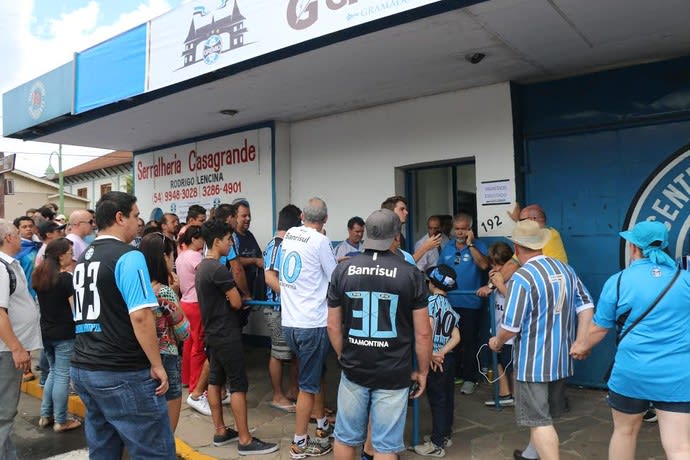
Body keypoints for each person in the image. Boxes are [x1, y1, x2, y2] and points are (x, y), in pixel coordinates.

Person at [571, 221, 690, 460]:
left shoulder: (618, 281)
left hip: (631, 372)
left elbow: (599, 328)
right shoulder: (685, 279)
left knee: (625, 433)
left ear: (634, 247)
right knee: (679, 446)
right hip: (677, 374)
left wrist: (581, 346)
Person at [70, 191, 175, 459]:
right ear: (120, 217)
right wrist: (157, 364)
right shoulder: (129, 256)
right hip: (122, 370)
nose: (139, 222)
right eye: (136, 216)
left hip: (85, 366)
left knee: (103, 448)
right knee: (154, 451)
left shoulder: (84, 259)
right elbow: (141, 316)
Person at [327, 208, 432, 460]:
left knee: (345, 437)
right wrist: (423, 371)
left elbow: (332, 325)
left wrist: (345, 355)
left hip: (354, 367)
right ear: (397, 237)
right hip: (394, 371)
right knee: (385, 446)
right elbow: (424, 333)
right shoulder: (411, 274)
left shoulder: (343, 270)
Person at [488, 219, 594, 460]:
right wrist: (581, 340)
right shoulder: (565, 269)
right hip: (561, 359)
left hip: (532, 363)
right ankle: (530, 454)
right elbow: (586, 304)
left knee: (538, 421)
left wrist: (497, 341)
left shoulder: (522, 278)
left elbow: (511, 327)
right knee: (544, 416)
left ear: (516, 249)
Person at [196, 219, 278, 454]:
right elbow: (234, 300)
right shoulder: (218, 269)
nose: (231, 243)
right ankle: (245, 439)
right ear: (216, 241)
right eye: (228, 239)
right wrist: (239, 299)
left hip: (212, 333)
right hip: (227, 334)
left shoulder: (203, 267)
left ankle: (220, 431)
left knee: (215, 380)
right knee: (238, 384)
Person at [280, 197, 337, 458]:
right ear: (325, 220)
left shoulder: (291, 234)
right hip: (312, 323)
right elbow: (334, 278)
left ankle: (322, 426)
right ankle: (299, 443)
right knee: (308, 385)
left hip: (290, 323)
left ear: (302, 216)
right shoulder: (321, 241)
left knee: (313, 375)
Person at [140, 232, 190, 432]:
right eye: (172, 255)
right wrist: (176, 293)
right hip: (166, 357)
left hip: (141, 357)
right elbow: (183, 332)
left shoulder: (136, 289)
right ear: (163, 257)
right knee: (167, 428)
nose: (174, 260)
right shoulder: (164, 292)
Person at [0, 219, 42, 458]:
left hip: (9, 348)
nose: (21, 236)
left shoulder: (9, 265)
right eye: (17, 233)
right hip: (6, 350)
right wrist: (17, 348)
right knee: (4, 414)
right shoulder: (2, 267)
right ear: (8, 238)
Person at [32, 238, 82, 433]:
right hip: (64, 333)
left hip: (46, 332)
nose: (72, 256)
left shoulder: (39, 276)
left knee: (54, 372)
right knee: (62, 374)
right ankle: (61, 420)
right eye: (70, 253)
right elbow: (75, 310)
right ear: (61, 256)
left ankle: (46, 415)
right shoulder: (65, 279)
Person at [438, 212, 489, 394]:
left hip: (470, 302)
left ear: (470, 229)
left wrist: (470, 245)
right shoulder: (447, 247)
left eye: (464, 229)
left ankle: (470, 378)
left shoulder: (479, 245)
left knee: (469, 342)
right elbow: (440, 270)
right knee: (452, 341)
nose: (459, 232)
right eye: (457, 229)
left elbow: (484, 265)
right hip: (449, 302)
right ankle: (456, 375)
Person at [414, 264, 460, 457]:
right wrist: (442, 352)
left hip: (434, 360)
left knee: (437, 401)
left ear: (431, 283)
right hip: (447, 359)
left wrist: (432, 353)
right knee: (447, 398)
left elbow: (428, 328)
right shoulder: (449, 308)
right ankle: (445, 434)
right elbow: (457, 337)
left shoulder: (430, 303)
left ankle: (437, 443)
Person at [263, 204, 302, 412]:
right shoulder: (278, 245)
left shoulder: (286, 243)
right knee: (278, 352)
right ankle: (278, 395)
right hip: (277, 308)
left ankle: (293, 390)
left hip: (287, 308)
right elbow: (270, 277)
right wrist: (289, 298)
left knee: (293, 353)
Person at [478, 241, 518, 407]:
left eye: (499, 265)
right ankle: (504, 393)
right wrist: (490, 285)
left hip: (511, 332)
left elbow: (515, 302)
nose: (495, 269)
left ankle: (518, 396)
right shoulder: (494, 278)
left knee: (513, 365)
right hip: (497, 328)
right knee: (498, 361)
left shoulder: (515, 278)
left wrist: (500, 285)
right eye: (493, 265)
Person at [233, 200, 265, 299]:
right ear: (235, 217)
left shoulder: (249, 235)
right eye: (244, 216)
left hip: (254, 291)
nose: (248, 218)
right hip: (240, 295)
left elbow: (259, 256)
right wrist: (254, 261)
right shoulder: (231, 237)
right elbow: (234, 262)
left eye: (249, 215)